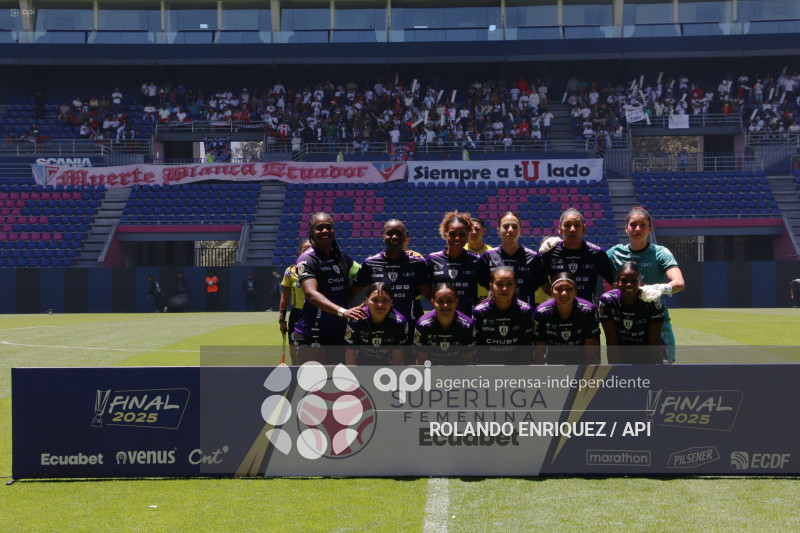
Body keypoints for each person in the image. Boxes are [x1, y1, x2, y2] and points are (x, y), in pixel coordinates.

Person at [607, 206, 685, 363]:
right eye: (633, 224)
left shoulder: (660, 253)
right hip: (625, 325)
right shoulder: (614, 253)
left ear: (650, 229)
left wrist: (658, 288)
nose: (637, 229)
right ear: (626, 228)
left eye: (642, 225)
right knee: (625, 376)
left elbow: (679, 283)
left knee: (664, 371)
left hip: (657, 319)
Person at [294, 212, 364, 364]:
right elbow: (311, 294)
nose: (325, 231)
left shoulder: (340, 256)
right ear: (311, 232)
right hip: (314, 331)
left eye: (329, 227)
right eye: (320, 228)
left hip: (339, 331)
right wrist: (343, 311)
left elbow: (363, 276)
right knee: (312, 384)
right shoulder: (308, 259)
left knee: (339, 383)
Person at [352, 219, 431, 327]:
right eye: (389, 233)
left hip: (410, 326)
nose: (394, 237)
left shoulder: (417, 263)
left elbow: (431, 296)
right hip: (379, 327)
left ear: (405, 238)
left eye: (399, 233)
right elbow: (350, 294)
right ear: (383, 236)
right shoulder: (369, 264)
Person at [539, 208, 615, 304]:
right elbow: (541, 280)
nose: (572, 229)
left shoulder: (597, 254)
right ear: (559, 229)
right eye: (567, 225)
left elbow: (613, 282)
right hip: (558, 311)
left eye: (577, 225)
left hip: (587, 312)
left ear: (584, 228)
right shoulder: (549, 254)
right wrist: (555, 296)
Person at [598, 262, 666, 364]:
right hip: (623, 353)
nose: (629, 284)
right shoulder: (607, 300)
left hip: (649, 352)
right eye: (624, 280)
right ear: (616, 282)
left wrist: (658, 371)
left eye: (634, 280)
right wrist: (614, 370)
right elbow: (611, 341)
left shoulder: (652, 300)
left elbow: (654, 341)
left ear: (640, 282)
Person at [478, 211, 549, 307]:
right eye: (506, 226)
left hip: (524, 315)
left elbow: (546, 288)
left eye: (514, 227)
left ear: (520, 230)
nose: (510, 230)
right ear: (498, 230)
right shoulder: (487, 257)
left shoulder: (533, 258)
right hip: (495, 313)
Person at [533, 272, 599, 365]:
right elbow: (539, 353)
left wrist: (587, 376)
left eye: (569, 289)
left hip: (580, 365)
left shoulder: (588, 310)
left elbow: (590, 352)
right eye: (558, 289)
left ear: (576, 291)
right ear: (551, 292)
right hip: (552, 364)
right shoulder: (541, 312)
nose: (564, 294)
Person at [472, 266, 535, 364]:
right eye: (499, 284)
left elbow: (526, 346)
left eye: (509, 284)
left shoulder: (525, 311)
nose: (504, 288)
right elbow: (478, 346)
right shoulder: (480, 312)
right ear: (491, 287)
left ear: (515, 287)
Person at [426, 211, 482, 316]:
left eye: (462, 234)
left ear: (467, 235)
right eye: (452, 234)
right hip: (440, 318)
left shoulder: (476, 260)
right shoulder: (433, 260)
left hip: (467, 320)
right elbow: (426, 290)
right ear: (445, 234)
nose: (457, 238)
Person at [345, 282, 409, 366]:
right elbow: (350, 356)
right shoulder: (356, 320)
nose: (380, 305)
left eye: (385, 300)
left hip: (387, 368)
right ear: (367, 301)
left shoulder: (399, 323)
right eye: (375, 300)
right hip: (361, 366)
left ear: (391, 302)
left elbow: (398, 359)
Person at [414, 284, 475, 365]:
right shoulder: (423, 325)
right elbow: (421, 361)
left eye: (450, 301)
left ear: (456, 302)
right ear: (432, 302)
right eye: (440, 301)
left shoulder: (467, 325)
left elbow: (468, 362)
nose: (445, 305)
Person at [279, 240, 312, 365]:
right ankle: (295, 373)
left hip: (315, 313)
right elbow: (285, 294)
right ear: (300, 253)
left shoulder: (321, 269)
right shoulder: (290, 271)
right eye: (305, 250)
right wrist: (282, 318)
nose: (309, 252)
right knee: (294, 351)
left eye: (311, 249)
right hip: (297, 314)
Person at [467, 217, 492, 299]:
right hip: (466, 299)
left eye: (477, 229)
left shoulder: (492, 253)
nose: (474, 232)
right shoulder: (460, 252)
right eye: (470, 229)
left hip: (487, 300)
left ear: (483, 231)